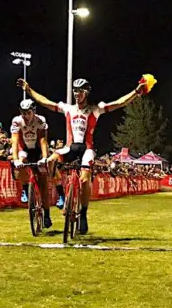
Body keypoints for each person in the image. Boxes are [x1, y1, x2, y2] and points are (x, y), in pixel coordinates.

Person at [17, 77, 146, 234]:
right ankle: (61, 194)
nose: (77, 93)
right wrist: (29, 90)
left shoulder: (95, 109)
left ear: (86, 92)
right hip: (69, 147)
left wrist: (135, 93)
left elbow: (118, 103)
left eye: (80, 91)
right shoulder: (68, 109)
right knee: (49, 161)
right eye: (75, 90)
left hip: (87, 149)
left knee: (84, 180)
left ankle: (83, 215)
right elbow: (46, 102)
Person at [10, 99, 52, 228]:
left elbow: (43, 140)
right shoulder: (17, 121)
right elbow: (15, 142)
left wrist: (44, 157)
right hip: (25, 149)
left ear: (33, 111)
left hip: (38, 149)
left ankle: (47, 214)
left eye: (28, 112)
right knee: (20, 162)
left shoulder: (40, 120)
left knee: (43, 184)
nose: (25, 115)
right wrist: (16, 159)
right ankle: (24, 188)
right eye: (23, 112)